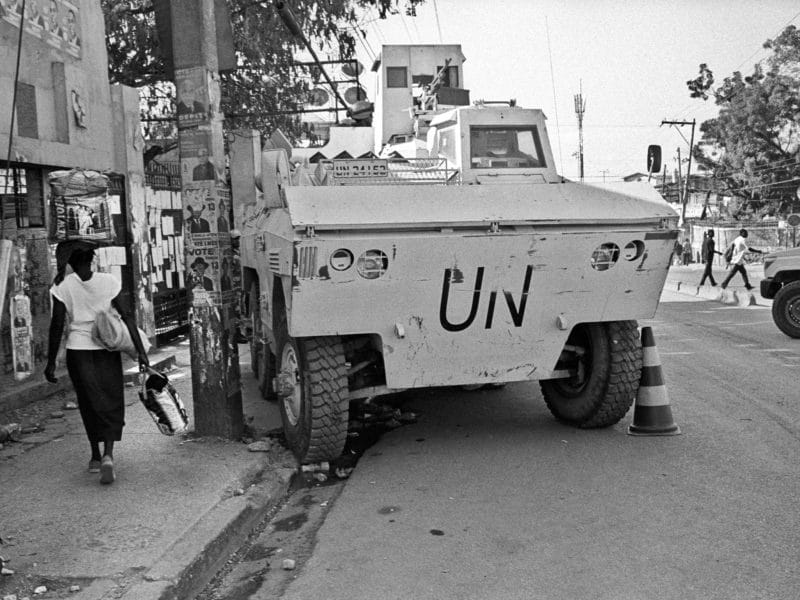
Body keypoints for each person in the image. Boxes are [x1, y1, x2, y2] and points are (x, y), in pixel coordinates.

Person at [45, 241, 149, 485]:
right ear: (91, 258)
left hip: (77, 350)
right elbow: (127, 317)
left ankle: (93, 455)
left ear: (71, 262)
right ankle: (108, 455)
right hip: (106, 348)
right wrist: (141, 352)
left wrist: (51, 363)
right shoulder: (109, 281)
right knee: (110, 398)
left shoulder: (62, 286)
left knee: (88, 400)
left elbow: (57, 325)